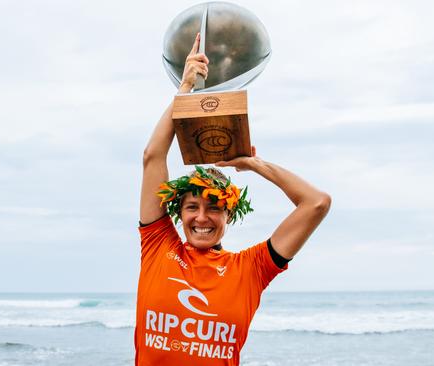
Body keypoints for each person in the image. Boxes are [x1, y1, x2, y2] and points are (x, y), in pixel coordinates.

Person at [136, 33, 331, 366]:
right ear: (178, 213)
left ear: (229, 215)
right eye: (192, 207)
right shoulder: (158, 246)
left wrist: (254, 164)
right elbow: (153, 156)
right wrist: (184, 90)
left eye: (214, 207)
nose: (201, 217)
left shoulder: (250, 269)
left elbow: (316, 203)